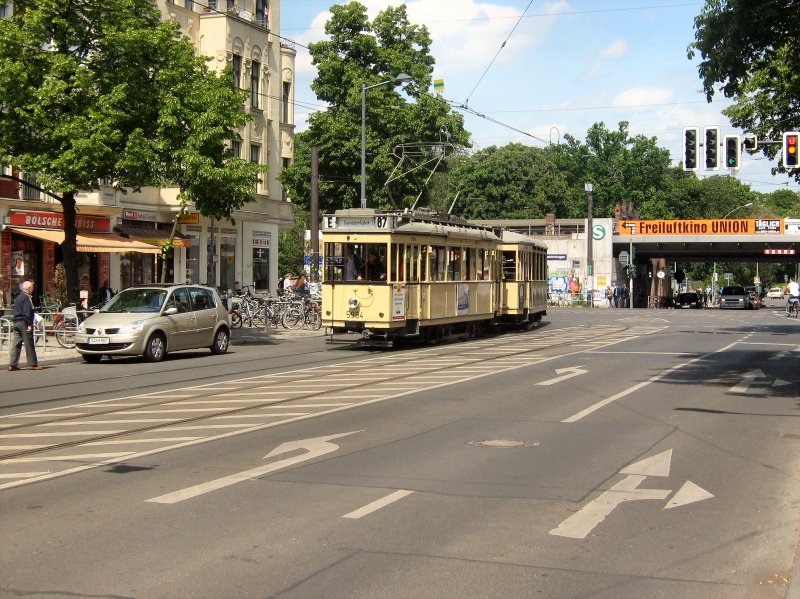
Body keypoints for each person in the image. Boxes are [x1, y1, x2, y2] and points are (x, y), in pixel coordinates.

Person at [8, 280, 43, 371]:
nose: (33, 289)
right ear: (29, 288)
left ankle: (12, 364)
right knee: (29, 343)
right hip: (24, 322)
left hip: (16, 321)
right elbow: (27, 312)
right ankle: (32, 364)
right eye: (32, 287)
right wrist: (29, 324)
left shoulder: (18, 297)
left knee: (16, 344)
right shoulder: (27, 297)